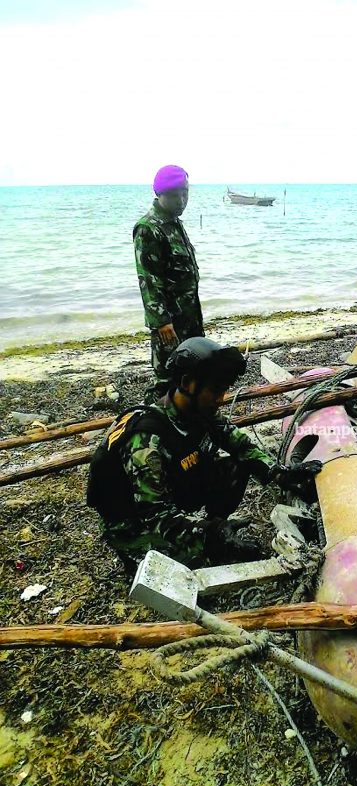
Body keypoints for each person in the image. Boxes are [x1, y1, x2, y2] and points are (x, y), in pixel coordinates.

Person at [87, 337, 321, 575]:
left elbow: (242, 447)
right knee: (183, 567)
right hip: (133, 525)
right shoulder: (146, 441)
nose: (221, 399)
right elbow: (155, 516)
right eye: (215, 391)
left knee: (235, 465)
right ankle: (197, 541)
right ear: (187, 383)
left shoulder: (199, 411)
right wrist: (211, 534)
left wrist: (278, 473)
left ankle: (212, 529)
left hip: (169, 498)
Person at [134, 164, 204, 402]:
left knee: (192, 373)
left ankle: (191, 426)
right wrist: (162, 322)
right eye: (175, 195)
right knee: (166, 378)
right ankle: (151, 430)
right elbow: (149, 280)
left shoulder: (174, 223)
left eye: (185, 192)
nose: (182, 200)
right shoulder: (149, 228)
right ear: (159, 194)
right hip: (169, 323)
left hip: (189, 315)